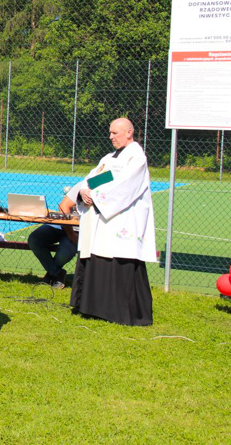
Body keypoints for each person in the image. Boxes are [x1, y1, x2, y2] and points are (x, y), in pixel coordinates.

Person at [67, 118, 157, 327]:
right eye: (110, 133)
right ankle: (93, 307)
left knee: (117, 260)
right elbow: (97, 178)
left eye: (115, 133)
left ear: (129, 132)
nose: (111, 137)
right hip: (100, 218)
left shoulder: (136, 157)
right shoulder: (110, 158)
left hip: (121, 219)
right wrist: (84, 191)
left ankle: (119, 311)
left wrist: (96, 196)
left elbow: (125, 185)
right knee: (97, 256)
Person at [27, 195, 78, 289]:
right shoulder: (81, 186)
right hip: (61, 224)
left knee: (65, 251)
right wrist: (70, 232)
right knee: (35, 239)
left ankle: (51, 274)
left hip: (79, 229)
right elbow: (64, 206)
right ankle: (57, 273)